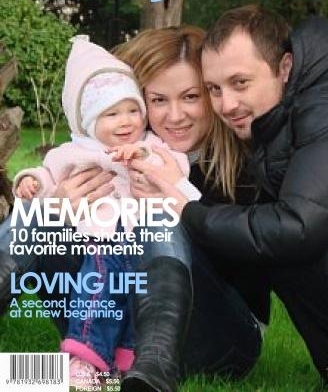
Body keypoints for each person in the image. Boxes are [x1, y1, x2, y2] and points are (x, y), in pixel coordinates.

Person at [140, 5, 328, 387]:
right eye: (215, 89)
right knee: (292, 258)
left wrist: (188, 209)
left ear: (284, 67)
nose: (227, 105)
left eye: (240, 83)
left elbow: (296, 225)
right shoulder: (287, 112)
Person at [0, 26, 262, 392]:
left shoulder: (241, 160)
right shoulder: (110, 154)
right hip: (106, 329)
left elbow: (250, 256)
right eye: (158, 100)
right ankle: (83, 369)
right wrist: (54, 206)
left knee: (156, 214)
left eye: (190, 96)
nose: (175, 115)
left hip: (215, 335)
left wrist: (179, 199)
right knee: (38, 214)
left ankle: (153, 365)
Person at [12, 37, 200, 387]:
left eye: (132, 111)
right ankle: (88, 358)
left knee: (130, 285)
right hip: (98, 244)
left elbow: (171, 165)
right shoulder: (75, 152)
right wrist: (33, 185)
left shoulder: (148, 144)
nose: (125, 121)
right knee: (93, 281)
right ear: (88, 121)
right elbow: (47, 173)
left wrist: (148, 165)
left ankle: (129, 360)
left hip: (144, 252)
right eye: (111, 114)